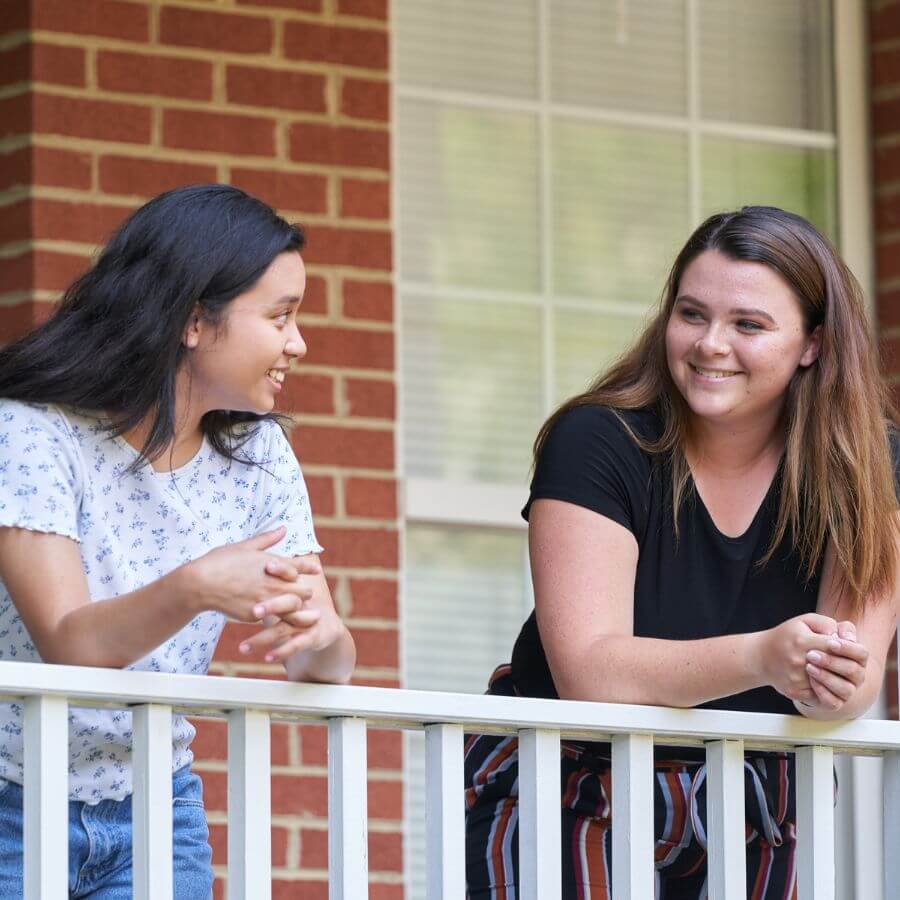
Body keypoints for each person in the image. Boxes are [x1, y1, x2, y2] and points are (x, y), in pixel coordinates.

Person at [464, 206, 900, 898]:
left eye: (748, 325)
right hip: (574, 780)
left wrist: (837, 683)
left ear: (812, 344)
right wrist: (763, 656)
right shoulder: (598, 440)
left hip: (758, 795)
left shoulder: (868, 468)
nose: (709, 345)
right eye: (692, 314)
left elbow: (851, 679)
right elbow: (591, 671)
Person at [0, 183, 356, 897]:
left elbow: (329, 666)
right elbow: (71, 645)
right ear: (194, 320)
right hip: (12, 803)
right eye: (280, 316)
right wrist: (194, 587)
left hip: (157, 812)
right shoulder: (33, 432)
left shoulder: (259, 456)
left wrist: (318, 635)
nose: (298, 342)